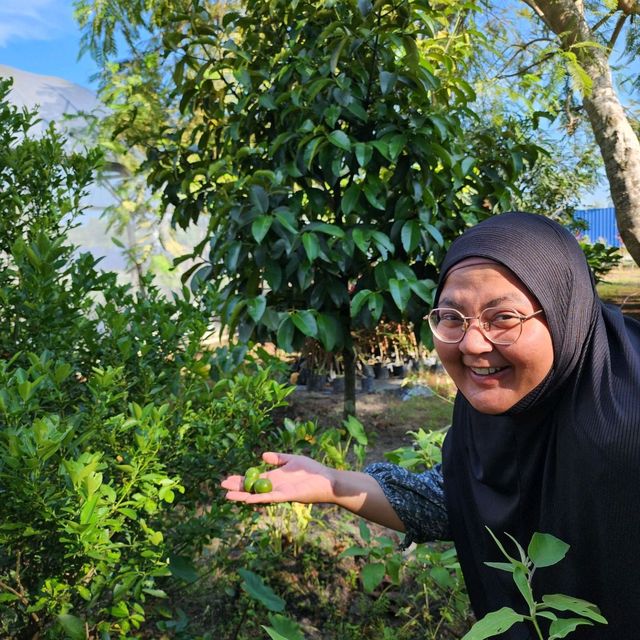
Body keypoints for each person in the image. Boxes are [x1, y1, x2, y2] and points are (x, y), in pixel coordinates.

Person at [222, 211, 640, 639]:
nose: (473, 344)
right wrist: (331, 483)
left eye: (503, 318)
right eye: (452, 317)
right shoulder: (493, 412)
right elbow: (457, 498)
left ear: (564, 309)